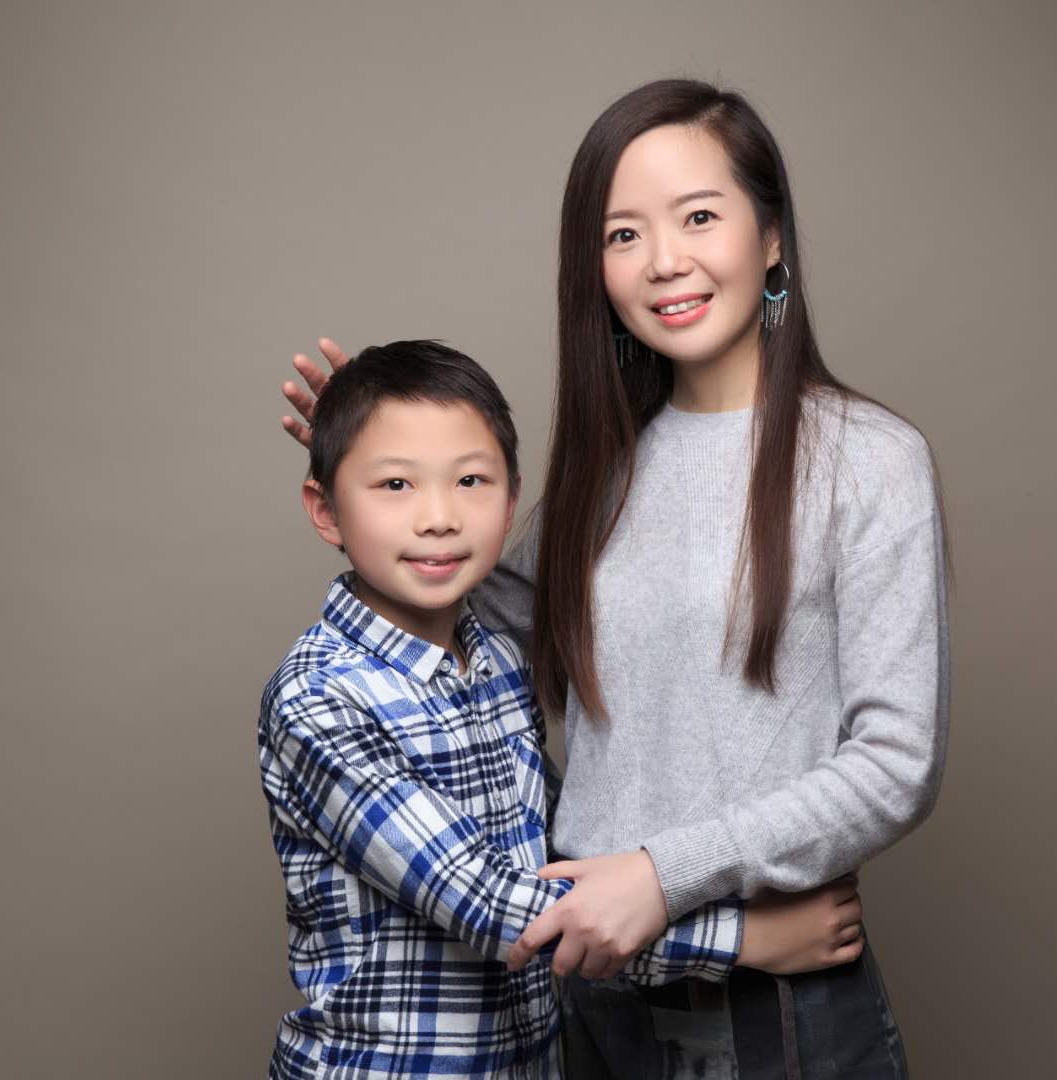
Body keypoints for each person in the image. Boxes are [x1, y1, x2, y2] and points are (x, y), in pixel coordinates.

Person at [282, 80, 945, 1078]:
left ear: (771, 237)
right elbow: (466, 620)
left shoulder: (870, 461)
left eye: (699, 217)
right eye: (623, 235)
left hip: (771, 1006)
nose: (664, 260)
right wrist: (373, 463)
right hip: (586, 995)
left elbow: (896, 764)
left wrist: (662, 877)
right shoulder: (604, 474)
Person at [259, 339, 864, 1079]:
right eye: (395, 485)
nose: (438, 517)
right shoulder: (321, 697)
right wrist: (745, 940)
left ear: (513, 500)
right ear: (325, 511)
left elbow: (556, 854)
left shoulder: (495, 660)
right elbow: (496, 908)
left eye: (470, 480)